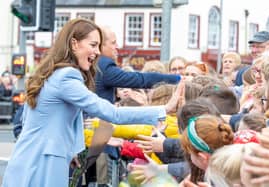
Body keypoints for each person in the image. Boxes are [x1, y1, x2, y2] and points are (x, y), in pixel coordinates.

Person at [2, 18, 184, 187]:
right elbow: (113, 114)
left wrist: (73, 149)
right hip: (45, 161)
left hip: (27, 159)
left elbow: (55, 118)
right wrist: (165, 109)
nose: (97, 52)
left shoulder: (51, 73)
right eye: (93, 45)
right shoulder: (67, 77)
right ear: (74, 44)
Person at [94, 26, 181, 186]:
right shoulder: (103, 65)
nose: (117, 47)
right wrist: (178, 79)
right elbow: (140, 79)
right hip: (100, 139)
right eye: (113, 43)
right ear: (100, 45)